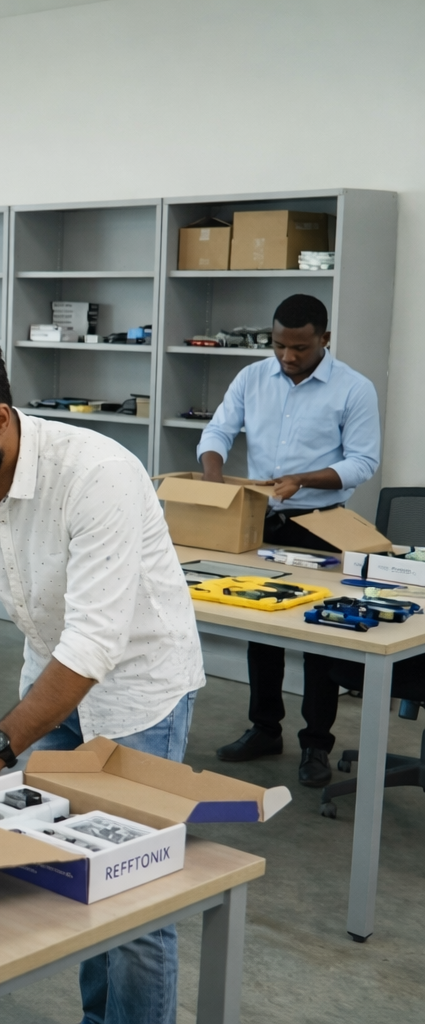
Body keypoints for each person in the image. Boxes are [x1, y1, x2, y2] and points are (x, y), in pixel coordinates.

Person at [0, 330, 202, 1024]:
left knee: (135, 893)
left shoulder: (96, 474)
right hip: (52, 681)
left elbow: (95, 641)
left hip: (139, 690)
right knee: (71, 870)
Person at [199, 294, 380, 788]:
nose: (288, 357)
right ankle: (264, 728)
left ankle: (316, 745)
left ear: (324, 339)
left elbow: (363, 462)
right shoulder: (253, 378)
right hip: (261, 519)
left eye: (299, 347)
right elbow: (217, 431)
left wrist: (303, 479)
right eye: (279, 345)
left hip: (322, 524)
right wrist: (213, 479)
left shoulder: (354, 389)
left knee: (318, 636)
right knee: (264, 629)